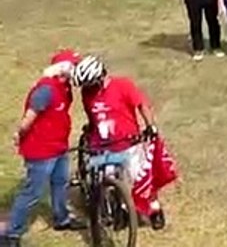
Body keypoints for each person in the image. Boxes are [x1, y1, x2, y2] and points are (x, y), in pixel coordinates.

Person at [71, 55, 168, 228]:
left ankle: (155, 210)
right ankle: (121, 210)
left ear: (99, 78)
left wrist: (150, 126)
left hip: (129, 143)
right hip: (103, 146)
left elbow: (142, 105)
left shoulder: (123, 86)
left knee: (141, 179)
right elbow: (92, 115)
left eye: (91, 84)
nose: (88, 89)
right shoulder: (87, 93)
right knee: (108, 180)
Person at [1, 52, 85, 244]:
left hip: (58, 147)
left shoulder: (65, 88)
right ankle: (10, 234)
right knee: (33, 192)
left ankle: (61, 219)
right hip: (41, 151)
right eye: (75, 64)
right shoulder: (46, 90)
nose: (78, 68)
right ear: (64, 68)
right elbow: (28, 120)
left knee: (60, 183)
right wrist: (19, 135)